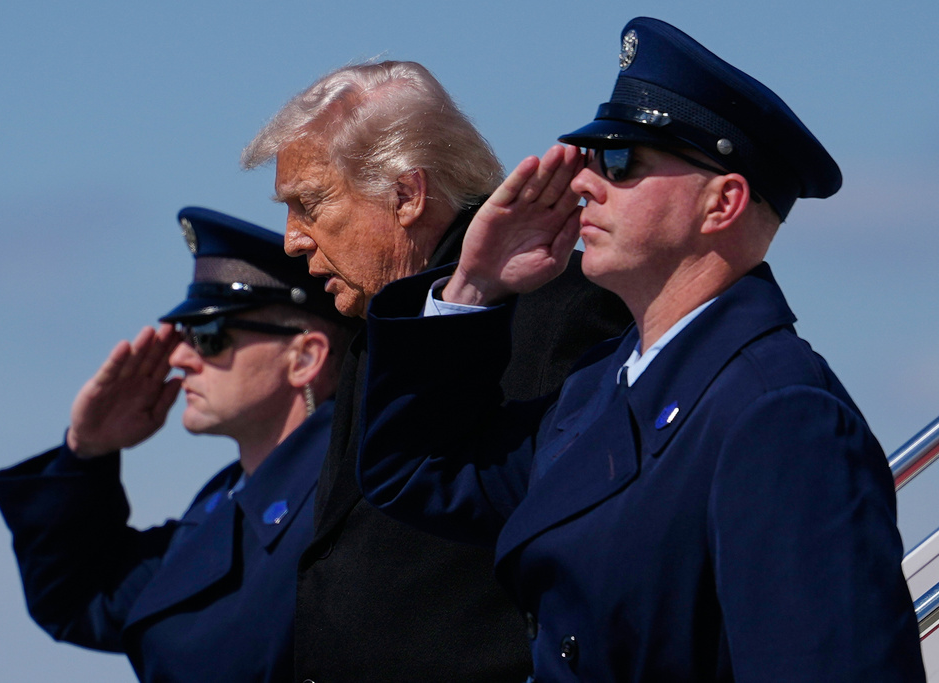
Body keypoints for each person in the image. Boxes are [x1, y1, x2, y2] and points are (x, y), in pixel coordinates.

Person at [357, 18, 925, 681]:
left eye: (621, 162)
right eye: (592, 159)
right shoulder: (600, 390)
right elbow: (417, 470)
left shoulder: (780, 414)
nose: (584, 184)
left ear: (722, 203)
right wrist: (473, 286)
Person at [241, 61, 632, 681]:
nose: (292, 240)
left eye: (310, 204)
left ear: (407, 195)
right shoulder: (379, 331)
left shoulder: (566, 310)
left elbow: (593, 563)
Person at [0, 207, 355, 683]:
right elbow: (80, 600)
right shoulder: (223, 505)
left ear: (304, 357)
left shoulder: (352, 500)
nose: (180, 357)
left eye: (208, 336)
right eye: (183, 335)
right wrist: (86, 453)